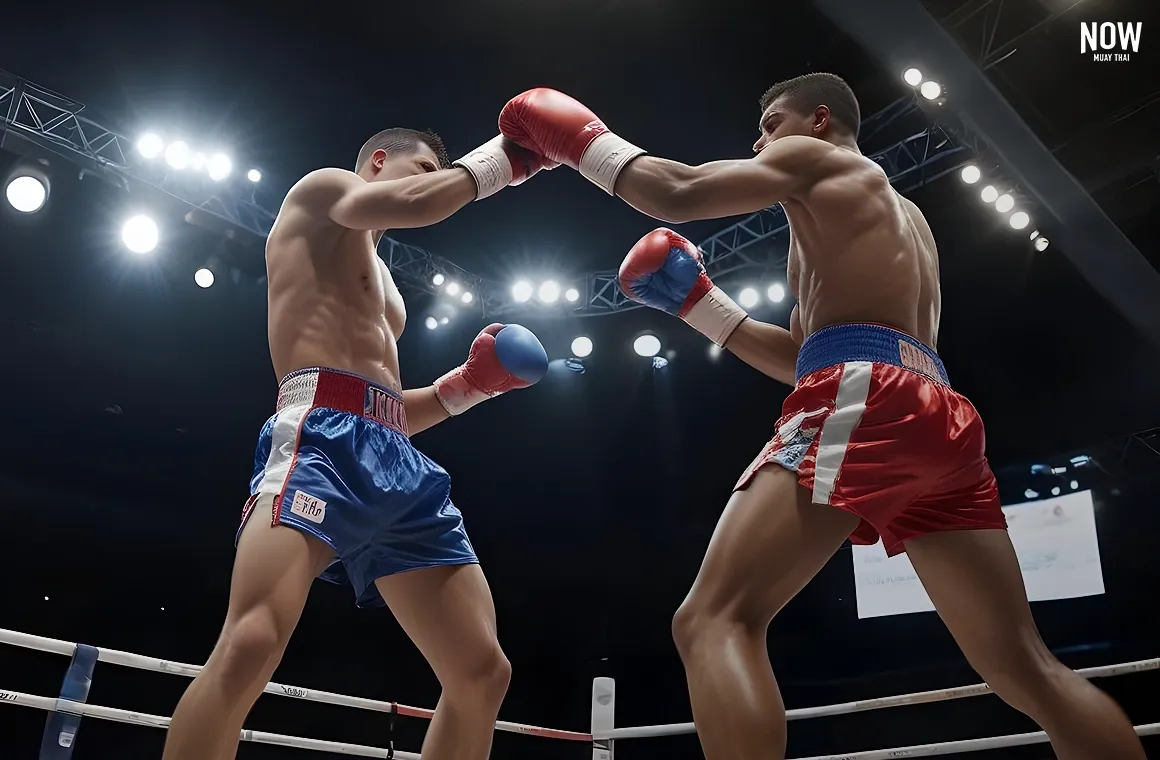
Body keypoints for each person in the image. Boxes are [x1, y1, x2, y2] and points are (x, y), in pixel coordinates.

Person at [495, 78, 1145, 759]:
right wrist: (700, 305)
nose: (760, 142)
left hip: (869, 398)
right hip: (936, 416)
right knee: (1023, 668)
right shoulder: (901, 220)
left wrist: (576, 142)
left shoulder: (823, 160)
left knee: (713, 620)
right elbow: (802, 356)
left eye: (772, 123)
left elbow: (678, 191)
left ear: (821, 119)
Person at [162, 127, 553, 760]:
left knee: (483, 673)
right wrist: (506, 157)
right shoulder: (323, 192)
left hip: (393, 460)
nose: (430, 177)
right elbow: (420, 203)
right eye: (422, 165)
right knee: (251, 643)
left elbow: (386, 412)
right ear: (378, 160)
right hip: (318, 438)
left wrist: (471, 387)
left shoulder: (387, 284)